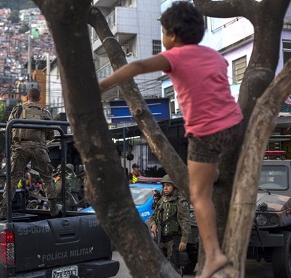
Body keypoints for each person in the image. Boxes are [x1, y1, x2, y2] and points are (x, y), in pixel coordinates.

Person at [99, 2, 243, 277]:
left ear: (172, 35)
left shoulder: (175, 56)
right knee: (213, 182)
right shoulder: (214, 56)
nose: (162, 38)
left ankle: (213, 255)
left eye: (162, 31)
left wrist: (102, 86)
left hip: (205, 134)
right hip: (235, 127)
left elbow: (139, 65)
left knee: (198, 195)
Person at [0, 88, 57, 218]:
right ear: (39, 98)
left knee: (13, 179)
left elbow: (8, 129)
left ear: (26, 97)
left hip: (20, 147)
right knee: (47, 178)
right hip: (39, 148)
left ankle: (3, 210)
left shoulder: (17, 110)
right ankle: (53, 209)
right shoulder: (44, 112)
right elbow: (51, 134)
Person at [147, 175, 191, 273]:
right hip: (161, 239)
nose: (165, 188)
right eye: (164, 186)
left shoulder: (180, 201)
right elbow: (152, 217)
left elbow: (186, 222)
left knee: (174, 269)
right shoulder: (162, 201)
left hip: (174, 240)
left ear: (174, 187)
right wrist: (153, 224)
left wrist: (184, 240)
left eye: (168, 185)